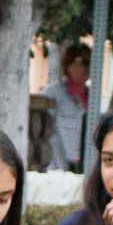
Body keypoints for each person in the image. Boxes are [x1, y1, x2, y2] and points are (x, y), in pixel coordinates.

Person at [43, 43, 92, 172]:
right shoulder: (52, 93)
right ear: (68, 65)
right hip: (57, 168)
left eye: (89, 63)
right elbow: (45, 133)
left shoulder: (93, 96)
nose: (88, 68)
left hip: (85, 165)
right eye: (83, 62)